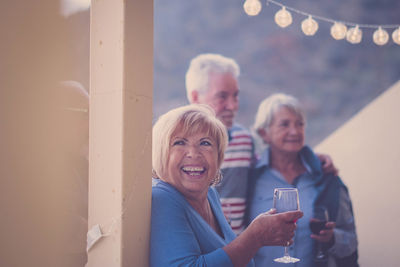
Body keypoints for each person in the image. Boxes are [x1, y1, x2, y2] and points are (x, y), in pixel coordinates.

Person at [185, 53, 337, 234]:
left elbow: (269, 160)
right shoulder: (176, 148)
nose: (233, 106)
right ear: (195, 98)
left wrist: (312, 158)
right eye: (222, 97)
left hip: (238, 254)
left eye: (235, 96)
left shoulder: (243, 139)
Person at [150, 104, 303, 267]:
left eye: (205, 143)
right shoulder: (162, 198)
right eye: (179, 142)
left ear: (218, 155)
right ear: (161, 153)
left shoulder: (210, 194)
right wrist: (255, 237)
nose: (193, 153)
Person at [247, 93, 358, 267]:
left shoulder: (327, 179)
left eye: (300, 124)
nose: (295, 131)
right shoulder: (249, 180)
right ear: (264, 133)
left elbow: (351, 241)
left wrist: (332, 238)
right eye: (285, 124)